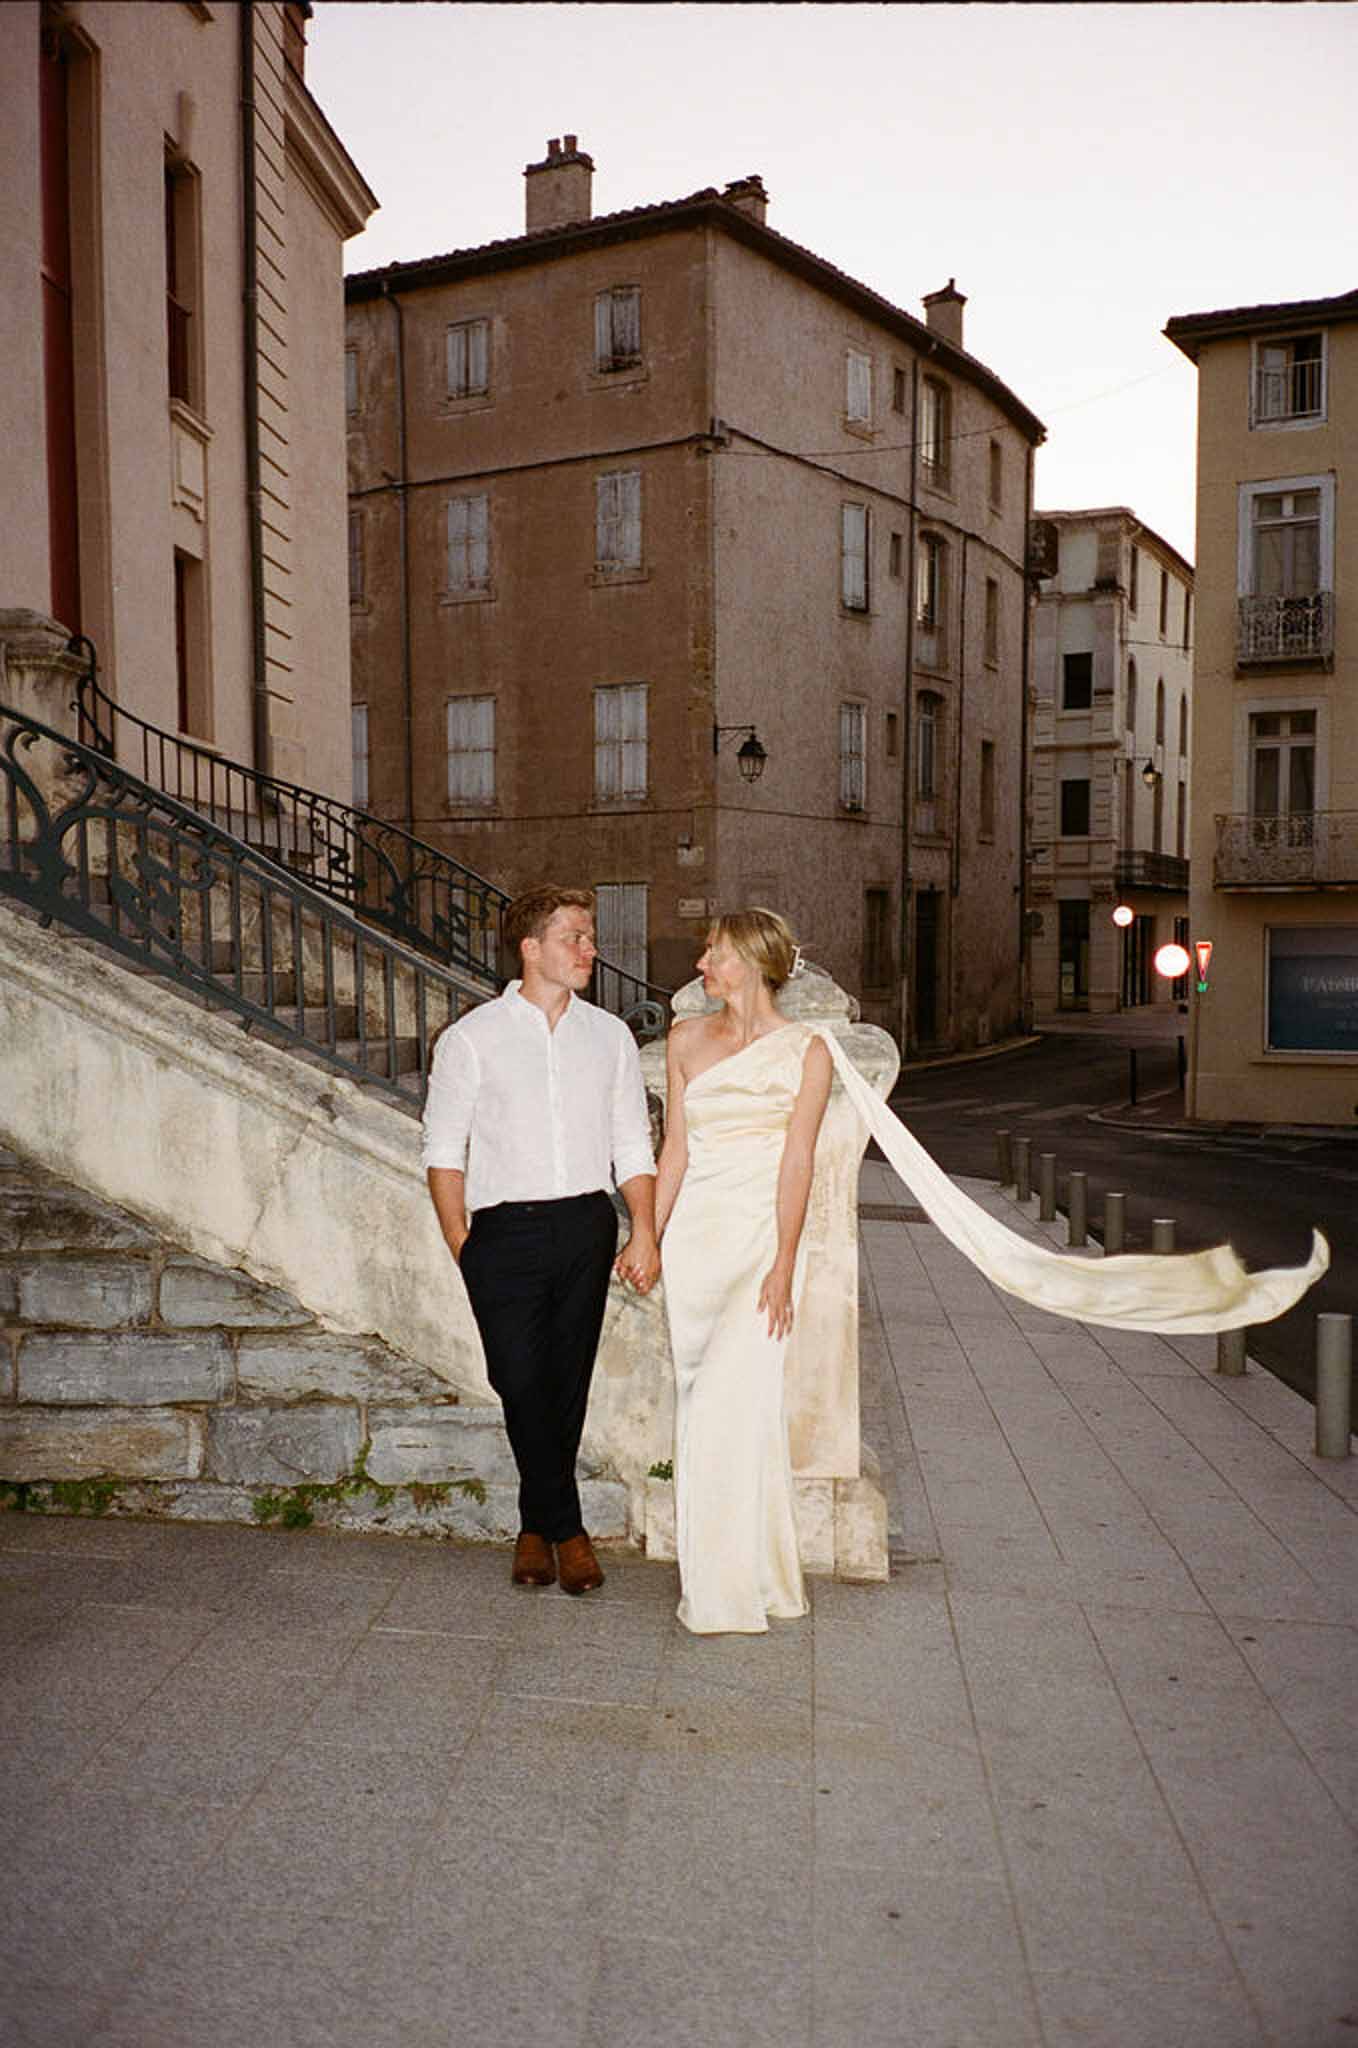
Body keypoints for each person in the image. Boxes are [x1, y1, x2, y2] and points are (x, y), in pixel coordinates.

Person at [422, 885, 659, 1594]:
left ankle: (537, 1528)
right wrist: (465, 1248)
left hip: (585, 1224)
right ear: (531, 948)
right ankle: (569, 1528)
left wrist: (644, 1230)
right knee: (519, 1380)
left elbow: (632, 1144)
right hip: (503, 1232)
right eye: (576, 938)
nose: (591, 950)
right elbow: (443, 1150)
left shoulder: (609, 1036)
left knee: (566, 1385)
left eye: (589, 938)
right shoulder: (471, 1039)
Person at [655, 909, 832, 1636]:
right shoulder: (684, 1039)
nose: (703, 966)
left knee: (740, 1408)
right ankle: (743, 1575)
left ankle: (734, 1588)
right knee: (705, 1409)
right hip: (695, 1242)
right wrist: (647, 1236)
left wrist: (785, 1262)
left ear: (755, 963)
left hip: (760, 1242)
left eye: (716, 954)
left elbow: (799, 1162)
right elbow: (674, 1151)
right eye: (706, 954)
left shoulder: (808, 1051)